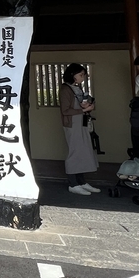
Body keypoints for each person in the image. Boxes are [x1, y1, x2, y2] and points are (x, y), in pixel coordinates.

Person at [59, 63, 99, 195]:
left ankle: (81, 181)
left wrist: (86, 106)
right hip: (72, 124)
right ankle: (73, 183)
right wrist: (84, 109)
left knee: (83, 151)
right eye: (81, 75)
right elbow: (65, 110)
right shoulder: (65, 89)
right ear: (72, 75)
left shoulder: (76, 88)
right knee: (75, 152)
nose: (83, 77)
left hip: (80, 122)